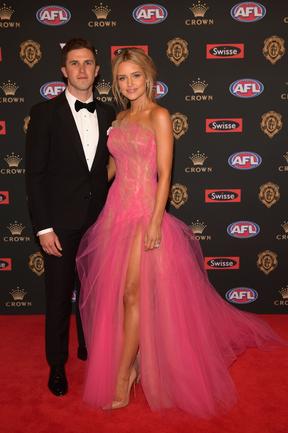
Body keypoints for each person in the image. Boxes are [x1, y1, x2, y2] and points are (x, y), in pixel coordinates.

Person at [76, 48, 283, 417]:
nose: (128, 84)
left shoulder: (159, 115)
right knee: (121, 298)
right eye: (122, 78)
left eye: (134, 76)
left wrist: (156, 220)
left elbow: (166, 174)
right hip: (115, 216)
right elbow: (111, 168)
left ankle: (123, 376)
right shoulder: (120, 118)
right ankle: (134, 362)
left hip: (144, 214)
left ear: (148, 76)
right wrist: (82, 190)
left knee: (132, 294)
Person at [25, 38, 115, 397]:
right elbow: (34, 175)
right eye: (74, 63)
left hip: (100, 221)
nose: (81, 69)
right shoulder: (44, 113)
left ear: (96, 70)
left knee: (95, 295)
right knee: (59, 298)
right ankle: (58, 365)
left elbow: (107, 168)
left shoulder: (109, 114)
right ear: (64, 71)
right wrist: (44, 227)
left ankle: (89, 347)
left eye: (88, 63)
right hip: (59, 225)